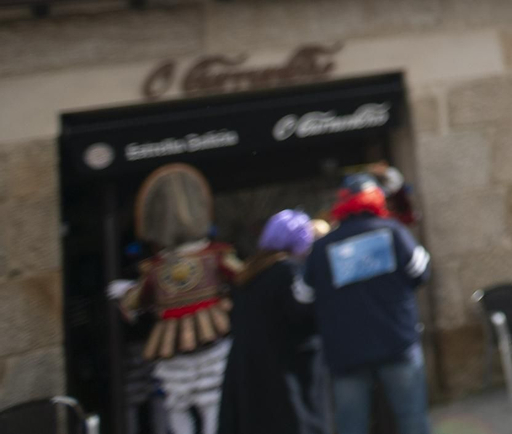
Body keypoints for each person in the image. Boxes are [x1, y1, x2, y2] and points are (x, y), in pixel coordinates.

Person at [114, 164, 241, 434]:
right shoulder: (215, 256)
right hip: (212, 335)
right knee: (209, 402)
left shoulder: (156, 268)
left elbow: (136, 301)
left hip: (171, 342)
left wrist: (124, 294)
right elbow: (242, 276)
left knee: (177, 404)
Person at [299, 175, 432, 434]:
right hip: (397, 343)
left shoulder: (323, 246)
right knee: (411, 418)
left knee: (352, 425)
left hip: (345, 351)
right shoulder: (393, 232)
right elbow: (421, 272)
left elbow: (303, 298)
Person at [218, 210, 328, 434]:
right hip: (287, 378)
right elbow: (303, 317)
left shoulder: (248, 274)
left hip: (250, 375)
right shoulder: (289, 273)